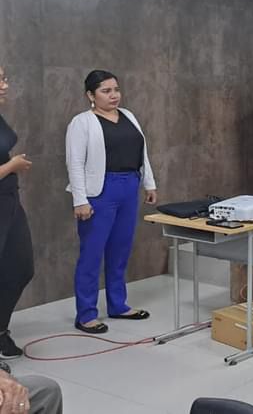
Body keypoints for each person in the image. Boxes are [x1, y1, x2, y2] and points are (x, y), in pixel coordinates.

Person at [65, 70, 157, 334]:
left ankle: (118, 305)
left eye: (116, 89)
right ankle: (86, 315)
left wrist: (149, 183)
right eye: (106, 91)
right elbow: (75, 163)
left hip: (129, 187)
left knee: (120, 251)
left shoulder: (128, 116)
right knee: (92, 254)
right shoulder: (81, 122)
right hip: (100, 192)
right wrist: (80, 200)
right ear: (90, 95)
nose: (114, 95)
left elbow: (142, 153)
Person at [0, 66, 34, 360]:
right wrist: (12, 166)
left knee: (21, 267)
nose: (4, 85)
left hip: (9, 200)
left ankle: (0, 330)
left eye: (4, 78)